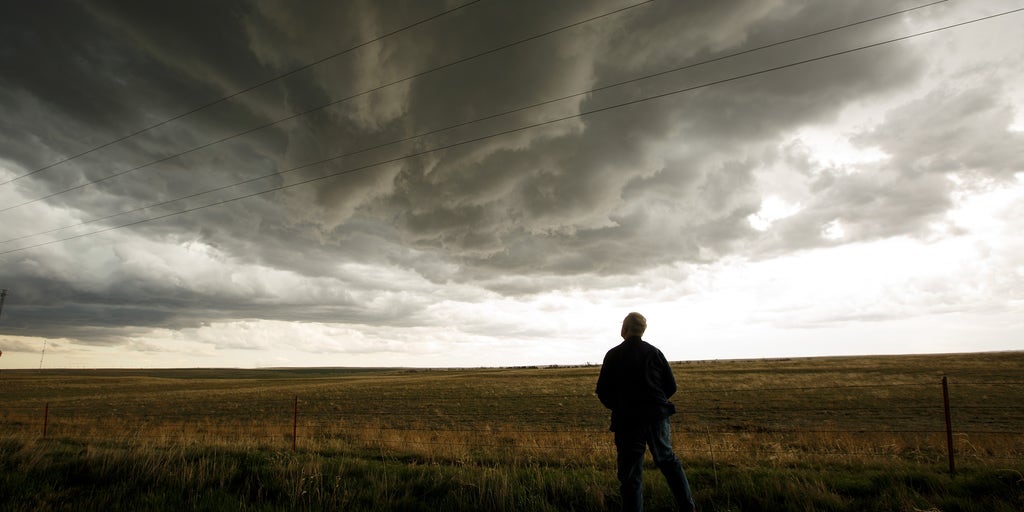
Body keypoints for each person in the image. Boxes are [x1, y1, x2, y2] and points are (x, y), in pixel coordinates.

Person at [596, 312, 695, 512]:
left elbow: (603, 391)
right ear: (642, 330)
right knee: (668, 461)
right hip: (657, 416)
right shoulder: (654, 352)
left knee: (630, 474)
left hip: (627, 420)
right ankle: (688, 507)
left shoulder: (613, 355)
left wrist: (619, 406)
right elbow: (671, 386)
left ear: (624, 329)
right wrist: (656, 402)